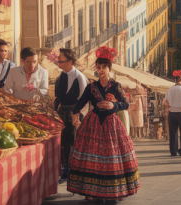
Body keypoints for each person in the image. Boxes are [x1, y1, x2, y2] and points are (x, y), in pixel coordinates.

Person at [69, 46, 139, 204]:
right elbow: (80, 103)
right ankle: (94, 192)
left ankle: (113, 191)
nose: (100, 70)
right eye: (98, 67)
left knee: (111, 157)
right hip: (93, 124)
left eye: (103, 67)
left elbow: (126, 104)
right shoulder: (91, 86)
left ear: (110, 69)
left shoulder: (116, 86)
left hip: (112, 125)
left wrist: (114, 106)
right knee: (93, 157)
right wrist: (76, 114)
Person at [53, 48, 88, 183]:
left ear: (70, 61)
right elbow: (58, 98)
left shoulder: (80, 77)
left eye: (61, 61)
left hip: (74, 114)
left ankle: (73, 171)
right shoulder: (60, 77)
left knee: (73, 142)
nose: (59, 63)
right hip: (62, 114)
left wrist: (78, 117)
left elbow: (84, 99)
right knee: (63, 142)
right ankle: (65, 169)